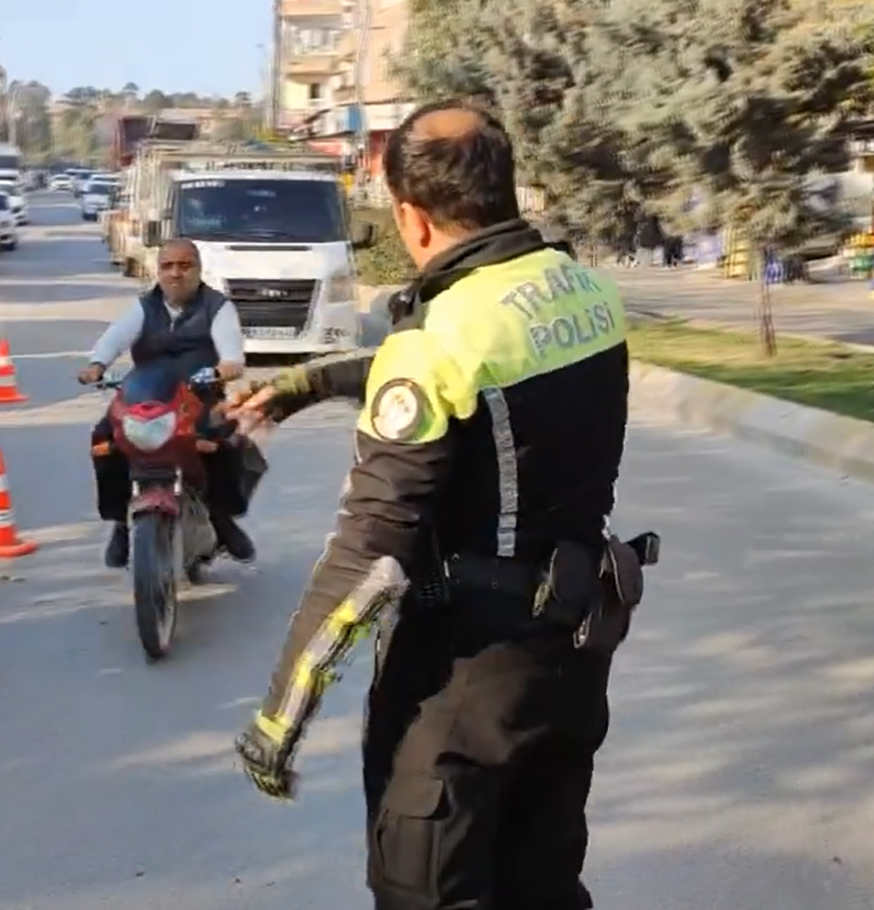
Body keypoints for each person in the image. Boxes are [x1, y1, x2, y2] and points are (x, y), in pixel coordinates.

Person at [228, 100, 645, 910]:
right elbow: (461, 370)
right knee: (544, 887)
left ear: (410, 217)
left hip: (462, 684)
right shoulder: (584, 292)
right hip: (571, 658)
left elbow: (369, 556)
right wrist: (306, 383)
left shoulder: (441, 341)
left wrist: (281, 715)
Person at [78, 238, 256, 569]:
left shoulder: (217, 307)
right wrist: (97, 364)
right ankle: (120, 524)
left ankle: (221, 519)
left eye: (184, 265)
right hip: (144, 396)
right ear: (158, 271)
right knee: (105, 441)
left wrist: (229, 363)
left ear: (199, 270)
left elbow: (230, 346)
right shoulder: (145, 306)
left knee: (223, 444)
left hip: (198, 396)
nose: (176, 274)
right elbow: (115, 337)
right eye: (168, 266)